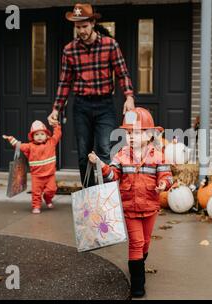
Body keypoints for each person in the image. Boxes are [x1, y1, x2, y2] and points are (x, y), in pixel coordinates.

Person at [88, 107, 173, 298]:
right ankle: (137, 283)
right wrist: (101, 165)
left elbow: (168, 176)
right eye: (128, 133)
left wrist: (163, 183)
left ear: (149, 134)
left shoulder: (158, 156)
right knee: (136, 242)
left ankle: (138, 265)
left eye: (136, 132)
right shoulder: (121, 155)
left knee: (145, 243)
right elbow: (113, 175)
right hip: (129, 207)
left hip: (150, 207)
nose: (131, 137)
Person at [48, 3, 135, 187]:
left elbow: (122, 73)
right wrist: (56, 109)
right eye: (78, 27)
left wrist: (129, 96)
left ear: (93, 23)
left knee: (104, 149)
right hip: (81, 106)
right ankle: (89, 196)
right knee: (83, 154)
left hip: (105, 105)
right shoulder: (69, 50)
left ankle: (105, 196)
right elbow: (65, 82)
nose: (81, 31)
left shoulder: (110, 45)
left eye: (85, 26)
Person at [3, 121, 62, 214]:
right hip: (37, 176)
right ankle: (36, 206)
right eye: (36, 134)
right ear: (33, 137)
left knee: (51, 189)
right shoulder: (30, 146)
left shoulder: (51, 142)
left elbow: (57, 134)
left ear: (47, 135)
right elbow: (20, 146)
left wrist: (56, 125)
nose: (39, 136)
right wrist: (12, 140)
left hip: (50, 175)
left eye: (42, 134)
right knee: (36, 192)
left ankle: (47, 198)